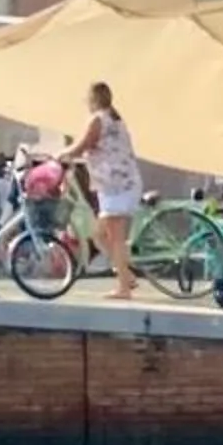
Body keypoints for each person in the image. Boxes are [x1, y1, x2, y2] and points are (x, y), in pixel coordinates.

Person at [78, 80, 141, 299]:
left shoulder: (99, 120)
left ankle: (124, 288)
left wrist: (63, 154)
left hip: (117, 185)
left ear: (93, 100)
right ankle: (127, 276)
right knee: (99, 235)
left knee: (114, 237)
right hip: (118, 183)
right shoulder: (116, 119)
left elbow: (84, 144)